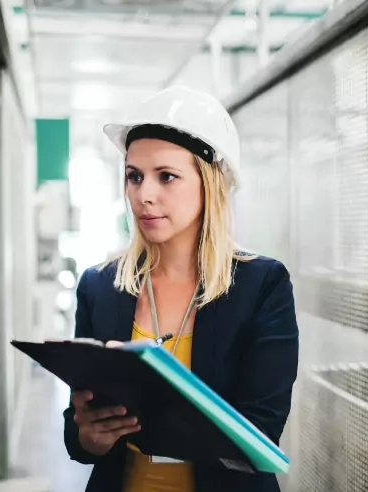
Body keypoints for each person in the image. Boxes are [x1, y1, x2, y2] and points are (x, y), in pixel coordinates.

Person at [63, 86, 299, 492]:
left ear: (210, 183)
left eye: (166, 176)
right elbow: (78, 430)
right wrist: (89, 436)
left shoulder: (261, 285)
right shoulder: (99, 286)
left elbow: (260, 433)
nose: (144, 195)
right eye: (133, 176)